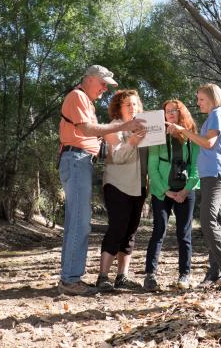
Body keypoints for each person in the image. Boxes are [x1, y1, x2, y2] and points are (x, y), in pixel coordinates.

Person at [57, 65, 145, 296]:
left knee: (76, 222)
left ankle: (69, 277)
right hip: (76, 158)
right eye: (103, 83)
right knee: (79, 222)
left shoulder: (86, 101)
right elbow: (87, 129)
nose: (105, 88)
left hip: (81, 160)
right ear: (89, 79)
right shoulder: (77, 96)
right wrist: (124, 127)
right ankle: (70, 280)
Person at [166, 83, 221, 288]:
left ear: (213, 99)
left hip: (216, 175)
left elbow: (208, 143)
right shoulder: (215, 116)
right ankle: (215, 272)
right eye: (197, 99)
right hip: (211, 175)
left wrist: (183, 130)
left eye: (201, 99)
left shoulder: (217, 114)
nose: (198, 103)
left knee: (207, 222)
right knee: (218, 223)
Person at [143, 99, 200, 291]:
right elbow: (152, 167)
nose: (170, 114)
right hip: (162, 191)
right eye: (167, 111)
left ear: (181, 113)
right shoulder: (157, 137)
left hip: (185, 191)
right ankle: (150, 275)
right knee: (158, 231)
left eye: (174, 111)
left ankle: (185, 274)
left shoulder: (192, 138)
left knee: (184, 234)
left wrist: (185, 191)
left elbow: (196, 169)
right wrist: (165, 191)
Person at [96, 90, 148, 291]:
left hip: (139, 186)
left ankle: (122, 277)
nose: (132, 108)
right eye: (127, 104)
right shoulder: (113, 127)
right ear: (118, 107)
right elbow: (117, 157)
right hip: (117, 185)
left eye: (135, 104)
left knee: (130, 232)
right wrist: (131, 142)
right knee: (117, 228)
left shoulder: (145, 128)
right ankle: (102, 277)